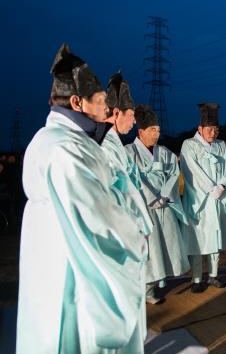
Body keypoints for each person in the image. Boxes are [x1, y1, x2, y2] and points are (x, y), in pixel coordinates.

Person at [17, 44, 147, 353]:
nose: (107, 109)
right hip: (72, 268)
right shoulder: (66, 150)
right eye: (101, 101)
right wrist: (136, 237)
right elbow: (97, 217)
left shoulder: (60, 140)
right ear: (77, 102)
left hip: (56, 258)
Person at [126, 105, 189, 304]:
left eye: (158, 130)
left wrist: (164, 195)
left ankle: (157, 283)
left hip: (164, 204)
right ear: (141, 131)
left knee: (165, 245)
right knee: (150, 248)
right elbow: (132, 178)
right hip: (145, 207)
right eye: (152, 130)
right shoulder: (129, 152)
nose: (157, 133)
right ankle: (146, 287)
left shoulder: (165, 152)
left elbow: (174, 173)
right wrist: (152, 197)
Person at [181, 103, 226, 292]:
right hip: (199, 200)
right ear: (200, 128)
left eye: (216, 129)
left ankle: (213, 275)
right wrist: (210, 188)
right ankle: (197, 278)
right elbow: (191, 169)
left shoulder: (221, 145)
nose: (213, 133)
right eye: (210, 129)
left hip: (218, 198)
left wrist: (222, 186)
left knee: (216, 239)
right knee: (198, 239)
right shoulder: (189, 145)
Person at [102, 72, 154, 237]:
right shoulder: (105, 145)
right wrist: (141, 224)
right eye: (131, 115)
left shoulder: (115, 143)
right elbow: (122, 191)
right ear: (116, 113)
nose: (134, 121)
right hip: (118, 225)